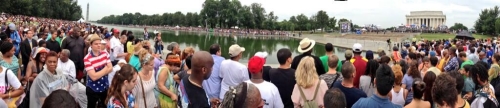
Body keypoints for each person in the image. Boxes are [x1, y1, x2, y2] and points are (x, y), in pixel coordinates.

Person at [84, 34, 113, 108]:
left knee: (105, 105)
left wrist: (98, 73)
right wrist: (105, 69)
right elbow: (93, 77)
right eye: (96, 44)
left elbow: (111, 68)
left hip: (104, 87)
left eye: (100, 43)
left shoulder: (105, 53)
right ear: (91, 45)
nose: (99, 45)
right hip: (92, 88)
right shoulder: (87, 58)